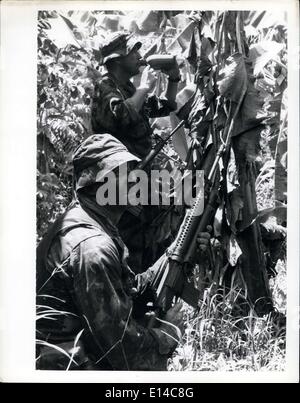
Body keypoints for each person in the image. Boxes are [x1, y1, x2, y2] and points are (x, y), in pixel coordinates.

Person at [36, 134, 211, 370]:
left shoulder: (89, 219)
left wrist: (181, 250)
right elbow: (121, 348)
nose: (133, 180)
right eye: (121, 173)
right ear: (96, 183)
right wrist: (165, 336)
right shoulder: (93, 248)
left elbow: (125, 288)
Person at [91, 31, 181, 159]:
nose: (139, 56)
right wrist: (144, 87)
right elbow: (122, 116)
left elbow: (163, 107)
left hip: (135, 170)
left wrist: (173, 78)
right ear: (118, 60)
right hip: (118, 172)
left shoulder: (127, 88)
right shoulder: (104, 85)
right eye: (133, 52)